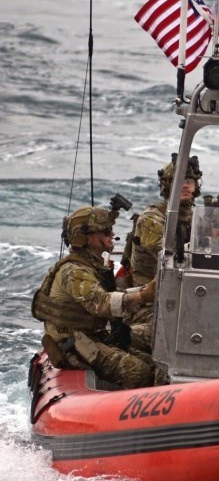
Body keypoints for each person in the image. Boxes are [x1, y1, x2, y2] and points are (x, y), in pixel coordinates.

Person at [32, 205, 158, 389]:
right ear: (86, 238)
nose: (111, 234)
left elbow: (108, 295)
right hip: (73, 344)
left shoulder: (93, 266)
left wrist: (145, 290)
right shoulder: (75, 271)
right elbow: (100, 303)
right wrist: (142, 296)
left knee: (153, 365)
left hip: (92, 336)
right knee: (138, 373)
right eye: (105, 231)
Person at [123, 154, 203, 288]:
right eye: (179, 181)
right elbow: (167, 257)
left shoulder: (196, 217)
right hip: (150, 290)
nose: (185, 186)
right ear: (167, 186)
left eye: (189, 181)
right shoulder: (151, 218)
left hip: (184, 283)